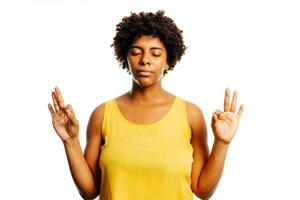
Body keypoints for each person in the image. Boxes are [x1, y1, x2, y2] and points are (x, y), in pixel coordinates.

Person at [48, 10, 244, 200]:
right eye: (136, 52)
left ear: (168, 60)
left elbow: (203, 190)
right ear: (126, 58)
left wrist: (222, 143)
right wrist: (70, 141)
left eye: (156, 54)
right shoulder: (102, 114)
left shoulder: (190, 115)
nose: (145, 60)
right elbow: (89, 192)